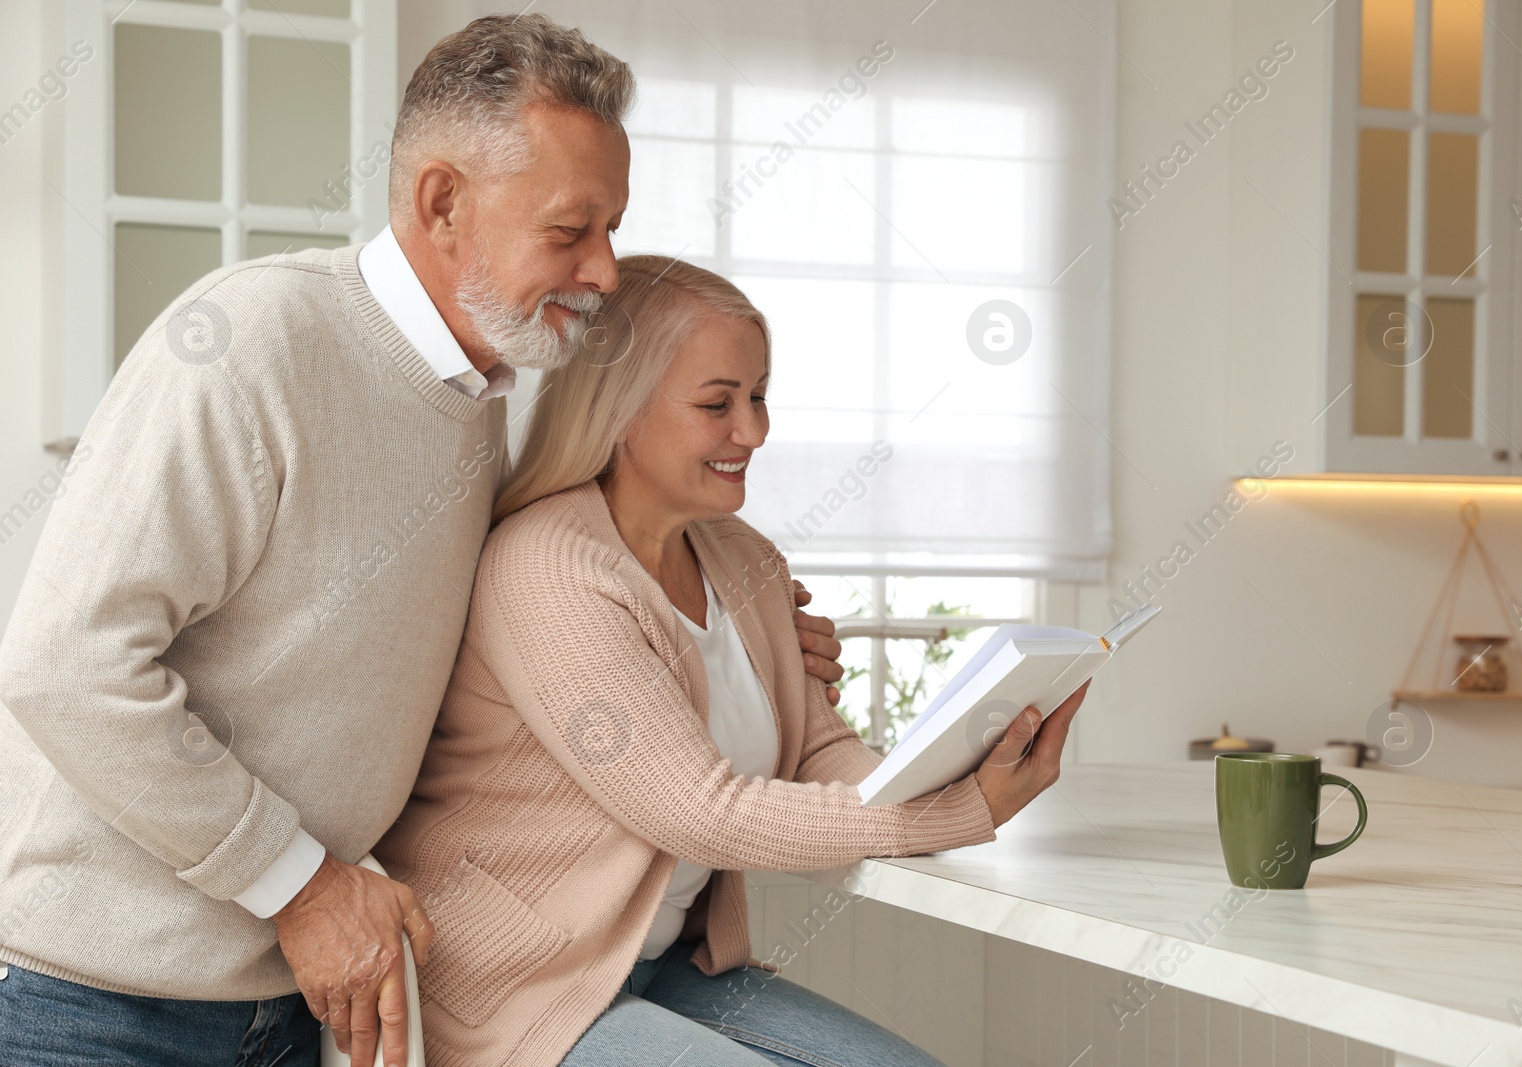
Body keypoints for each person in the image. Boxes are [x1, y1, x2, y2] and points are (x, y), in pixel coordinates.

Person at [0, 16, 845, 1067]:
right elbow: (67, 666)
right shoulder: (251, 347)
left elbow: (490, 649)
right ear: (443, 203)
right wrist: (302, 885)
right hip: (97, 998)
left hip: (304, 996)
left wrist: (749, 653)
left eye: (613, 228)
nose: (605, 269)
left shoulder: (476, 400)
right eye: (571, 229)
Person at [372, 256, 1087, 1067]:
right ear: (621, 411)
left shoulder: (745, 560)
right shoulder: (548, 568)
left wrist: (951, 771)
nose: (752, 431)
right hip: (517, 989)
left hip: (662, 963)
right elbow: (701, 812)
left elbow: (820, 752)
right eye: (718, 403)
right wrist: (955, 813)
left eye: (758, 396)